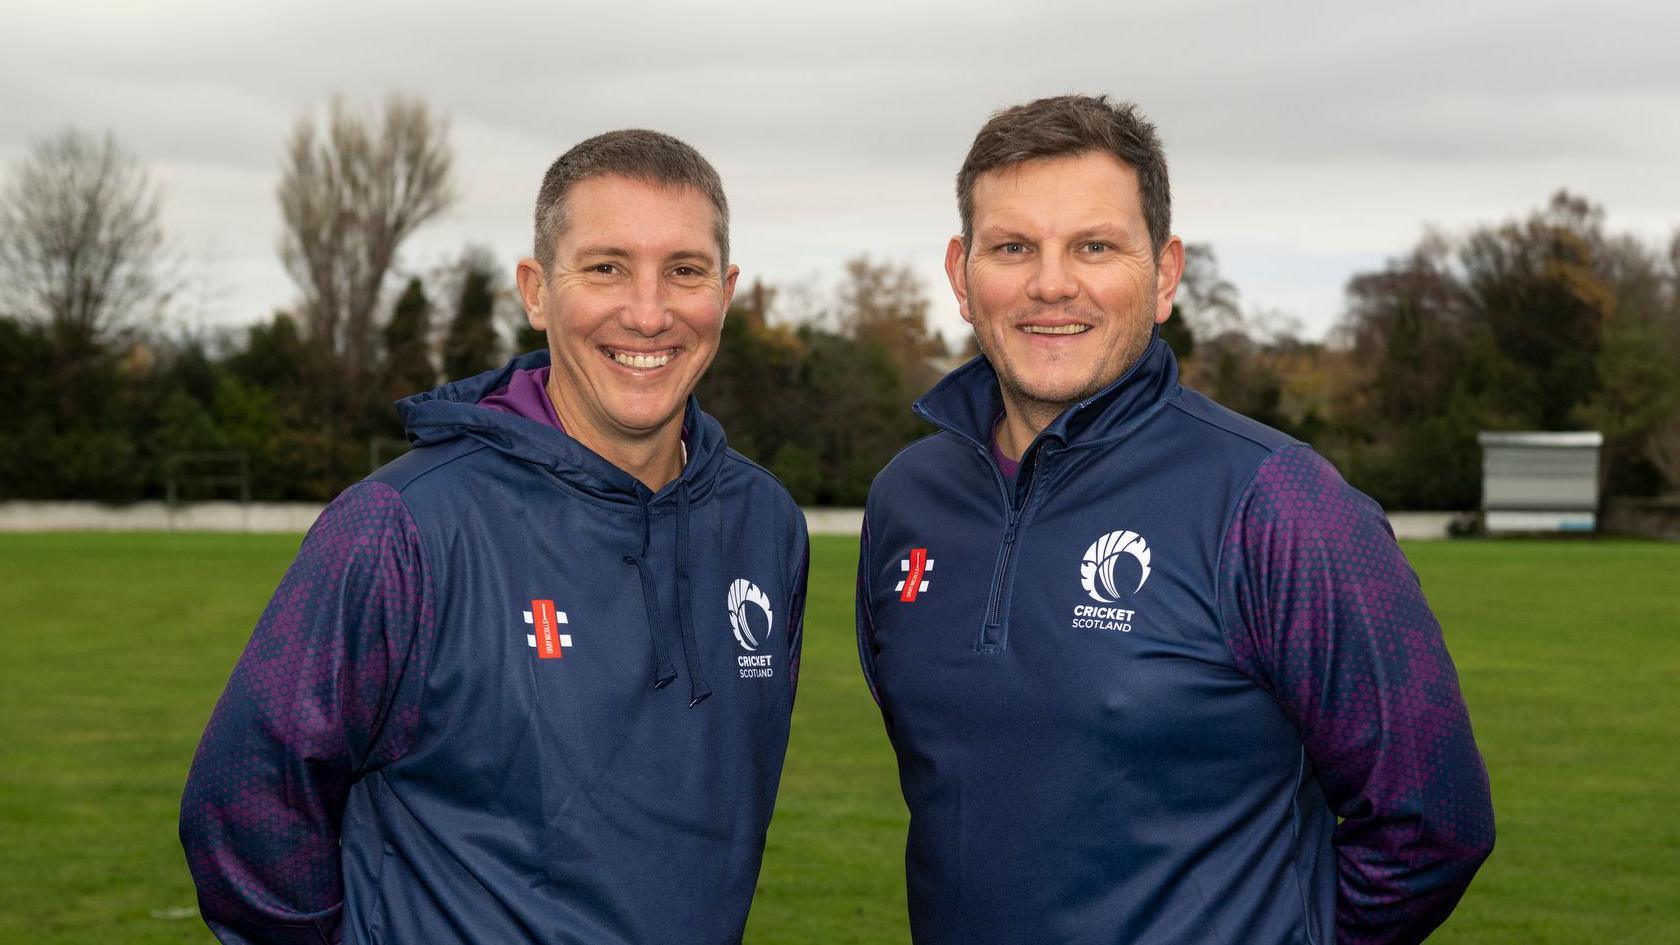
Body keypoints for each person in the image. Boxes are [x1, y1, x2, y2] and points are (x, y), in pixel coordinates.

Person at [856, 95, 1494, 945]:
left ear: (1162, 274)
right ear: (960, 273)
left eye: (1094, 246)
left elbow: (1433, 822)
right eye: (1013, 247)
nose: (1051, 283)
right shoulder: (907, 498)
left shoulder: (1280, 502)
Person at [181, 129, 809, 945]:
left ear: (724, 291)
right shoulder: (400, 526)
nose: (649, 312)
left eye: (683, 271)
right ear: (537, 290)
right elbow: (244, 797)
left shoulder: (765, 524)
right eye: (606, 266)